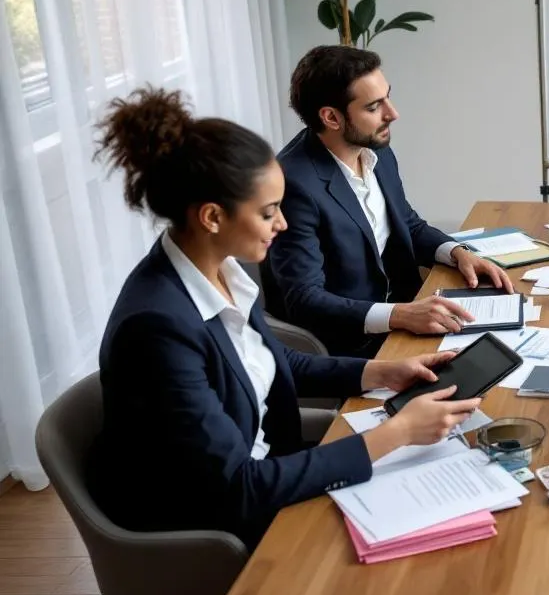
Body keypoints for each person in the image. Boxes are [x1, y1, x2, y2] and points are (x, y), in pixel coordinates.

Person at [88, 87, 483, 550]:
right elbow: (237, 488)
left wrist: (379, 371)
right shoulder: (158, 326)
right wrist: (395, 435)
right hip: (213, 525)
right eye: (269, 212)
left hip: (270, 468)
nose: (283, 224)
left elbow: (270, 362)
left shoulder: (219, 271)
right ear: (213, 216)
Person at [263, 45, 514, 358]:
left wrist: (458, 252)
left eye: (388, 97)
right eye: (373, 107)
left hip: (410, 312)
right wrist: (399, 315)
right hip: (355, 343)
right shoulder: (293, 184)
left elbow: (406, 222)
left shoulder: (375, 151)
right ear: (331, 117)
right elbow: (305, 299)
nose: (392, 114)